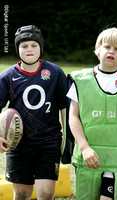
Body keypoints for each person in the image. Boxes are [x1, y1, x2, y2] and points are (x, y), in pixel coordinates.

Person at [0, 25, 67, 200]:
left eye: (34, 45)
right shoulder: (7, 76)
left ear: (41, 47)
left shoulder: (55, 72)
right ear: (17, 48)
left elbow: (64, 107)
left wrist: (67, 139)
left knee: (45, 193)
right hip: (19, 143)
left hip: (49, 141)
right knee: (22, 193)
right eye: (24, 46)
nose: (29, 49)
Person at [66, 27, 117, 200]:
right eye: (107, 47)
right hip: (90, 158)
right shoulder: (82, 80)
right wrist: (84, 147)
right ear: (98, 49)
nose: (111, 51)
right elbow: (73, 117)